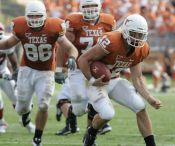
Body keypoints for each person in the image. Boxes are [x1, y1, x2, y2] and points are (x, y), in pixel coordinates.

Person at [0, 1, 78, 146]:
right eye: (32, 16)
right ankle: (26, 111)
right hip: (26, 70)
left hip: (47, 71)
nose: (35, 19)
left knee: (43, 105)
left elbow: (70, 48)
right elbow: (8, 44)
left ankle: (37, 139)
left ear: (44, 16)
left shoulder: (54, 26)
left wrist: (73, 57)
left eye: (38, 16)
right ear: (26, 16)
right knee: (20, 109)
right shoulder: (20, 25)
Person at [78, 14, 162, 146]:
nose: (137, 38)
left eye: (140, 35)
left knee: (140, 106)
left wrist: (149, 97)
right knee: (107, 114)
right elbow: (83, 59)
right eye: (134, 33)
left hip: (115, 80)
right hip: (98, 82)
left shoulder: (142, 49)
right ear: (126, 30)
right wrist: (92, 80)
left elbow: (138, 78)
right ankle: (90, 135)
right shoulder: (111, 41)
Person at [54, 0, 115, 136]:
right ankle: (73, 113)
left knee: (96, 98)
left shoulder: (108, 21)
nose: (90, 9)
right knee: (79, 107)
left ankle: (92, 130)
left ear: (99, 7)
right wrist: (58, 68)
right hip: (77, 67)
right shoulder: (74, 21)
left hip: (97, 67)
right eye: (86, 6)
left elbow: (113, 45)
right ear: (81, 8)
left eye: (93, 5)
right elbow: (63, 46)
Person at [0, 22, 19, 133]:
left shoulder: (6, 42)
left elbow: (14, 63)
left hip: (4, 71)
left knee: (15, 96)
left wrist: (15, 75)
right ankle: (1, 123)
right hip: (3, 73)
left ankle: (24, 118)